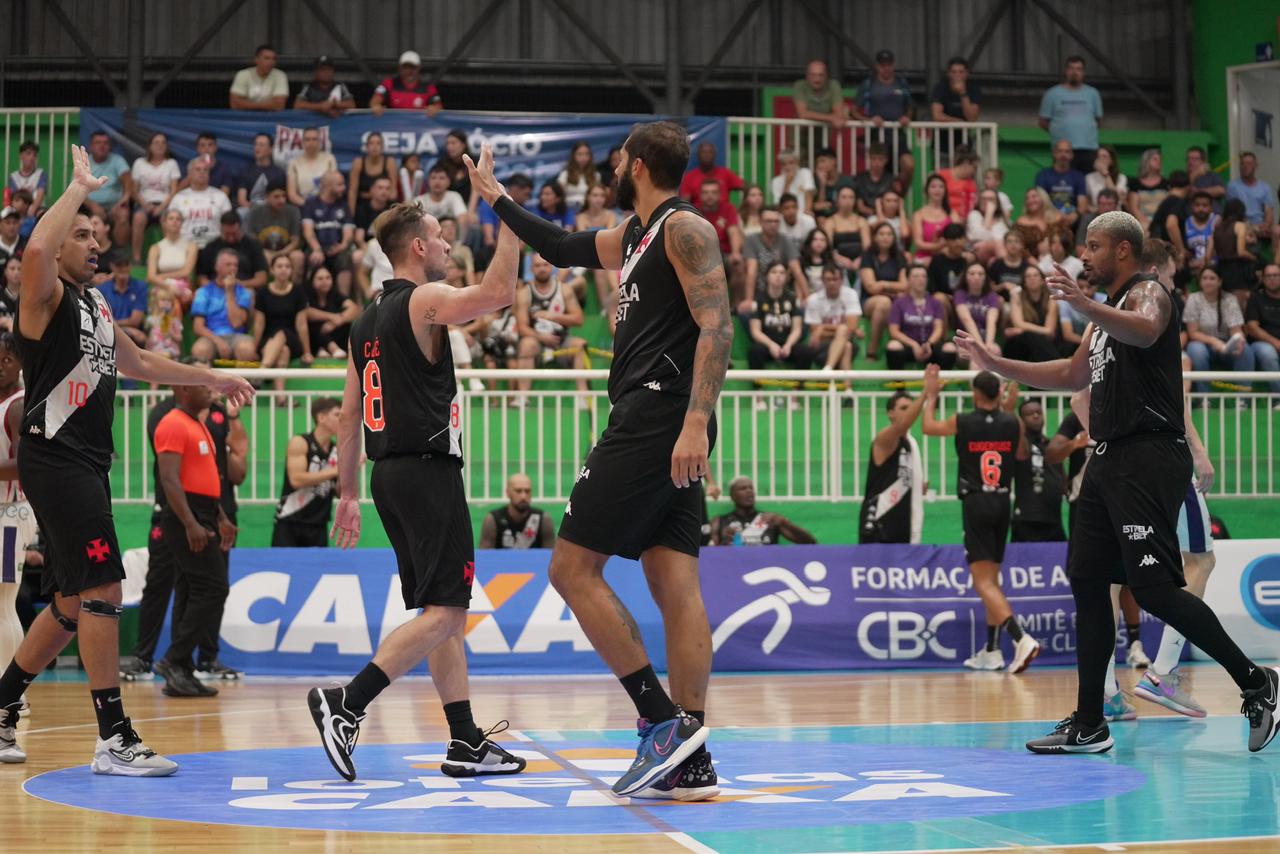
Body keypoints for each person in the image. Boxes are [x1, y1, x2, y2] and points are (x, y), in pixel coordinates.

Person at [957, 209, 1279, 754]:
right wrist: (996, 361)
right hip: (1106, 458)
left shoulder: (1149, 294)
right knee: (1087, 583)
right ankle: (1090, 722)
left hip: (1148, 456)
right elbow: (1071, 374)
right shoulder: (1101, 319)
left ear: (1123, 250)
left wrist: (1086, 305)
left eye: (1094, 246)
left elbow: (1148, 330)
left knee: (1154, 589)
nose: (1084, 255)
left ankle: (1257, 682)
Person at [473, 122, 732, 799]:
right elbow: (560, 246)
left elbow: (718, 325)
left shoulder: (684, 229)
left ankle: (661, 721)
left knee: (569, 567)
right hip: (660, 419)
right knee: (672, 580)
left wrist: (695, 421)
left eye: (619, 161)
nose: (614, 170)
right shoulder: (636, 235)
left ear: (638, 165)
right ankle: (692, 757)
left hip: (658, 415)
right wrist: (496, 198)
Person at [0, 144, 253, 773]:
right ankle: (113, 736)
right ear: (60, 245)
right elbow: (35, 251)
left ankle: (1, 708)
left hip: (87, 462)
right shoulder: (44, 299)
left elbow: (138, 362)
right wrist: (78, 190)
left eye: (97, 234)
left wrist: (212, 376)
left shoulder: (98, 305)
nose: (94, 242)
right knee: (104, 586)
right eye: (81, 234)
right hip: (55, 455)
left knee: (69, 602)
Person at [309, 184, 526, 782]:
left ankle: (464, 740)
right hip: (428, 472)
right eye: (440, 235)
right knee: (447, 614)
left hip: (387, 476)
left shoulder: (363, 323)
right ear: (418, 247)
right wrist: (509, 218)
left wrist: (348, 493)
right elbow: (499, 294)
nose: (449, 244)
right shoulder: (424, 299)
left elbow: (348, 415)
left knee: (441, 612)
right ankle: (346, 703)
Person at [922, 365, 1040, 673]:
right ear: (999, 394)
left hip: (976, 501)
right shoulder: (1013, 422)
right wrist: (1010, 414)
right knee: (993, 579)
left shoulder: (962, 421)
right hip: (1002, 501)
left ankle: (1021, 639)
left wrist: (931, 395)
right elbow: (1022, 454)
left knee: (982, 581)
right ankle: (992, 649)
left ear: (975, 394)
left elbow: (928, 427)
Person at [150, 383, 238, 698]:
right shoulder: (173, 423)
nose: (212, 391)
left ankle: (182, 672)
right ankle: (174, 660)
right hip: (185, 514)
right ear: (185, 389)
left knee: (193, 589)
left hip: (203, 510)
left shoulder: (197, 423)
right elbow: (170, 478)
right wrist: (190, 522)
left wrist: (220, 516)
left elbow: (204, 477)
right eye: (204, 385)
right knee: (214, 587)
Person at [0, 334, 35, 724]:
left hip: (11, 514)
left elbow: (25, 465)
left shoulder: (19, 405)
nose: (0, 365)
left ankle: (12, 696)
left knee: (4, 603)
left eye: (7, 359)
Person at [512, 254, 588, 402]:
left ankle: (583, 397)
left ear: (552, 267)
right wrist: (541, 337)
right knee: (527, 344)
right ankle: (522, 397)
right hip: (537, 342)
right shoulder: (524, 294)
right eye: (538, 265)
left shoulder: (564, 289)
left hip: (562, 341)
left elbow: (579, 319)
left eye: (545, 265)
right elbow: (522, 327)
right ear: (531, 269)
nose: (542, 269)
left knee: (580, 345)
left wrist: (553, 316)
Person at [859, 390, 925, 544]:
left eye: (911, 408)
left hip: (903, 522)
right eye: (903, 408)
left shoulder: (911, 442)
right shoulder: (884, 438)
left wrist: (916, 485)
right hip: (879, 522)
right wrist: (926, 394)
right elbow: (902, 426)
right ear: (890, 414)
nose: (908, 412)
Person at [273, 398, 340, 547]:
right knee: (283, 562)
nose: (342, 420)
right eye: (337, 415)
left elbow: (340, 493)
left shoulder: (337, 451)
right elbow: (296, 480)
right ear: (321, 417)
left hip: (319, 524)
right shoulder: (300, 442)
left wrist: (349, 472)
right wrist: (336, 470)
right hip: (290, 521)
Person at [1183, 265, 1253, 396]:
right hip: (1203, 343)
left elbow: (1236, 330)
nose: (1208, 281)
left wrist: (1239, 340)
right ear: (1200, 281)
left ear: (1219, 282)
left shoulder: (1230, 299)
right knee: (1195, 349)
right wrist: (1214, 342)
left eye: (1212, 278)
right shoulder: (1193, 299)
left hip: (1227, 344)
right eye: (1204, 278)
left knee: (1246, 350)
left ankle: (1243, 398)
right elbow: (1193, 333)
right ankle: (1205, 398)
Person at [853, 49, 915, 193]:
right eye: (882, 65)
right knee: (879, 171)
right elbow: (854, 111)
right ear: (877, 66)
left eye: (889, 65)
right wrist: (869, 120)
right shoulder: (869, 84)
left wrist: (907, 117)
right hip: (877, 135)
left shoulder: (901, 83)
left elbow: (910, 107)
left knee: (909, 165)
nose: (886, 68)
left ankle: (900, 195)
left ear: (893, 65)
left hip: (897, 134)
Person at [1010, 397, 1066, 541]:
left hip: (1054, 518)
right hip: (1027, 520)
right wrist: (1010, 411)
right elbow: (1021, 451)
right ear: (1022, 420)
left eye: (1038, 412)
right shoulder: (1021, 444)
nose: (1035, 416)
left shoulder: (1051, 445)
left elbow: (1061, 477)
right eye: (1030, 414)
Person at [255, 255, 312, 394]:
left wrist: (307, 352)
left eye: (287, 266)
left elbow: (301, 324)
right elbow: (259, 323)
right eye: (279, 266)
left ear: (291, 270)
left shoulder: (298, 291)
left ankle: (262, 371)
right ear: (272, 270)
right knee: (283, 351)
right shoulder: (263, 292)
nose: (283, 270)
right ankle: (280, 397)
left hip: (292, 338)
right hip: (268, 338)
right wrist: (255, 348)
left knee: (282, 333)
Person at [190, 248, 257, 364]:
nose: (233, 268)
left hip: (237, 336)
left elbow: (236, 323)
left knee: (247, 350)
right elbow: (198, 327)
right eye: (228, 265)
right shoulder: (203, 292)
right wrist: (218, 341)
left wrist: (229, 291)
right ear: (217, 267)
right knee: (200, 350)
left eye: (235, 265)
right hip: (211, 336)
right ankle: (204, 376)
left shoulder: (244, 292)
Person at [1038, 56, 1102, 175]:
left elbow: (1098, 120)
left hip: (1089, 148)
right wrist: (1059, 132)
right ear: (1066, 71)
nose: (1074, 72)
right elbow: (1042, 121)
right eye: (1071, 68)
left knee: (1089, 182)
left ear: (1083, 72)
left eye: (1078, 69)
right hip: (1063, 150)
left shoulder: (1093, 93)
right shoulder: (1052, 94)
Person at [885, 265, 956, 370]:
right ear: (908, 280)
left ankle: (942, 380)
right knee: (893, 345)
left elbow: (938, 328)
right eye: (916, 276)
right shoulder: (899, 303)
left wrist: (929, 344)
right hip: (908, 344)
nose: (920, 279)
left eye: (923, 276)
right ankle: (898, 381)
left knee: (950, 348)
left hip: (930, 344)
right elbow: (894, 331)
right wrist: (913, 345)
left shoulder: (935, 303)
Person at [748, 261, 812, 373]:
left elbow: (797, 329)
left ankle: (797, 384)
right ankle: (759, 383)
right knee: (754, 352)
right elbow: (755, 331)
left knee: (806, 352)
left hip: (788, 344)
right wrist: (771, 345)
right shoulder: (758, 300)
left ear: (786, 277)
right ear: (767, 276)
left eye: (782, 273)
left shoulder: (793, 299)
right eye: (774, 272)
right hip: (767, 344)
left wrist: (788, 345)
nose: (778, 275)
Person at [710, 477, 815, 545]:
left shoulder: (771, 520)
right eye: (743, 488)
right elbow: (707, 554)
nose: (749, 491)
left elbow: (810, 543)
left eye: (751, 488)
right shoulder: (719, 521)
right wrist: (724, 544)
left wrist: (784, 522)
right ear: (732, 495)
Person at [859, 221, 909, 359]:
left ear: (894, 238)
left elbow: (905, 285)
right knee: (884, 302)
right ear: (875, 237)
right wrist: (893, 288)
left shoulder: (899, 257)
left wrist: (883, 284)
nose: (885, 237)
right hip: (869, 301)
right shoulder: (868, 256)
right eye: (881, 234)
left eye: (889, 234)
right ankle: (872, 350)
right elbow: (871, 287)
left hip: (896, 300)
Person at [129, 132, 181, 264]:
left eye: (163, 143)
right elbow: (134, 190)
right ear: (149, 146)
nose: (160, 145)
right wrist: (146, 205)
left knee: (169, 220)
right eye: (156, 142)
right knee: (138, 218)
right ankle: (136, 258)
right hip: (144, 203)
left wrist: (161, 207)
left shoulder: (171, 163)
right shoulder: (139, 163)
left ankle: (168, 259)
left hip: (165, 204)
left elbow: (174, 190)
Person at [302, 171, 356, 296]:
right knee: (314, 259)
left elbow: (348, 233)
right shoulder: (311, 204)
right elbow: (308, 231)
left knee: (345, 258)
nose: (344, 187)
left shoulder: (343, 205)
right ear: (328, 186)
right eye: (340, 184)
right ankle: (309, 301)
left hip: (337, 249)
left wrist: (342, 246)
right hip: (316, 248)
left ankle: (343, 300)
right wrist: (317, 249)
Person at [804, 264, 861, 371]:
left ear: (842, 280)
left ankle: (828, 369)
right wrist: (843, 330)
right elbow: (815, 330)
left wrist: (823, 327)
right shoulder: (813, 300)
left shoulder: (851, 295)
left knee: (845, 338)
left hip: (846, 341)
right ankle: (844, 382)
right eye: (828, 279)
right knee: (846, 344)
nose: (832, 283)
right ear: (823, 281)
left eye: (835, 279)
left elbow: (851, 326)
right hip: (822, 345)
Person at [167, 158, 233, 249]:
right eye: (198, 169)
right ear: (190, 174)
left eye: (205, 170)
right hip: (185, 246)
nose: (202, 172)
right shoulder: (178, 198)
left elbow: (229, 224)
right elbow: (169, 225)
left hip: (214, 247)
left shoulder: (221, 197)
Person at [479, 473, 556, 549]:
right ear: (508, 493)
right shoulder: (493, 519)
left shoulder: (543, 519)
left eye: (527, 491)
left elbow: (551, 554)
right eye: (518, 491)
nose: (523, 496)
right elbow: (484, 554)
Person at [84, 132, 134, 249]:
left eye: (105, 143)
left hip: (115, 205)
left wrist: (123, 200)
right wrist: (92, 206)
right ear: (91, 146)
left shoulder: (118, 160)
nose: (102, 146)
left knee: (123, 215)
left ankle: (118, 253)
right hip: (90, 207)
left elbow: (128, 182)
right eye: (98, 143)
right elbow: (77, 189)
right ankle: (91, 250)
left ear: (110, 146)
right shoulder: (85, 163)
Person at [197, 211, 269, 290]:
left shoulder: (253, 245)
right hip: (215, 288)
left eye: (234, 234)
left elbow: (261, 278)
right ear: (221, 229)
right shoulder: (210, 247)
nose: (231, 238)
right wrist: (217, 287)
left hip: (244, 288)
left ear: (241, 229)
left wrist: (238, 284)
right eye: (227, 234)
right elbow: (202, 278)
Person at [930, 57, 982, 163]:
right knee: (943, 172)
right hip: (942, 144)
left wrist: (963, 94)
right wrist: (958, 122)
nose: (957, 75)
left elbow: (972, 118)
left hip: (964, 145)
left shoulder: (973, 89)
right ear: (948, 74)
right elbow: (937, 116)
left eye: (961, 72)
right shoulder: (940, 88)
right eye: (954, 72)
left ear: (967, 73)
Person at [1005, 265, 1061, 363]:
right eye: (1028, 276)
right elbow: (1018, 324)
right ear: (1024, 282)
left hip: (1044, 343)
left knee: (1034, 339)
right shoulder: (1017, 297)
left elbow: (1050, 331)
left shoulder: (1051, 300)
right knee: (1028, 337)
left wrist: (1023, 330)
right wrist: (1025, 332)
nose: (1032, 278)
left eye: (1035, 275)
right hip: (1020, 345)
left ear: (1042, 281)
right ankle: (1056, 364)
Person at [247, 180, 304, 277]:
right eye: (276, 197)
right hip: (264, 250)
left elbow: (295, 241)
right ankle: (270, 286)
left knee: (298, 256)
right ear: (267, 197)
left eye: (284, 196)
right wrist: (265, 251)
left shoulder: (293, 211)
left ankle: (295, 286)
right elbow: (252, 239)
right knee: (265, 256)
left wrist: (280, 253)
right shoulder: (256, 211)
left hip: (286, 250)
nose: (281, 200)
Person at [304, 265, 359, 359]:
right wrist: (332, 317)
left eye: (328, 278)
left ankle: (335, 349)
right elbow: (307, 312)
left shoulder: (335, 294)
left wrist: (338, 321)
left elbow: (354, 308)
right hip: (314, 340)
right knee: (314, 323)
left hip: (333, 334)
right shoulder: (306, 295)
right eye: (320, 279)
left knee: (346, 320)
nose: (324, 281)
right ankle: (330, 349)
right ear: (312, 281)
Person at [146, 208, 197, 307]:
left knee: (178, 297)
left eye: (178, 219)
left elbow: (186, 272)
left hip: (183, 285)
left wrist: (161, 276)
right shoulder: (155, 248)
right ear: (164, 223)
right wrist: (168, 286)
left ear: (182, 223)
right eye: (171, 218)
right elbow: (151, 276)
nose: (175, 221)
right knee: (162, 296)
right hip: (162, 285)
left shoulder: (191, 246)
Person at [1212, 198, 1259, 304]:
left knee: (1224, 304)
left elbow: (1211, 252)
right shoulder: (1240, 225)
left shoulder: (1217, 227)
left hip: (1221, 267)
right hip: (1236, 269)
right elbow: (1241, 252)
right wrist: (1253, 258)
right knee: (1240, 304)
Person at [98, 251, 148, 347]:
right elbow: (103, 321)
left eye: (126, 265)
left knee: (140, 337)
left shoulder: (140, 286)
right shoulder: (102, 289)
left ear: (130, 266)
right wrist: (126, 329)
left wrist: (114, 323)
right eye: (119, 265)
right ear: (112, 266)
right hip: (111, 331)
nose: (123, 269)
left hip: (127, 331)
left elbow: (135, 321)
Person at [1035, 140, 1089, 228]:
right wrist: (1058, 216)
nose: (1063, 155)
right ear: (1054, 154)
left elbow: (1082, 203)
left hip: (1073, 219)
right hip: (1050, 217)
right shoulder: (1043, 175)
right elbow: (1042, 201)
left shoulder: (1078, 176)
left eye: (1067, 152)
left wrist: (1075, 215)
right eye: (1060, 151)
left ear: (1071, 155)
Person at [1245, 263, 1280, 397]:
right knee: (1268, 353)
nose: (1272, 279)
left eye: (1276, 275)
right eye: (1268, 276)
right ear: (1263, 279)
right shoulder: (1256, 298)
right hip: (1262, 343)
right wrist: (1276, 343)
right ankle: (1278, 398)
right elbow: (1252, 328)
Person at [370, 51, 443, 116]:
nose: (409, 71)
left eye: (412, 67)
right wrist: (376, 105)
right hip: (393, 125)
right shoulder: (389, 83)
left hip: (419, 126)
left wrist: (434, 108)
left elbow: (438, 105)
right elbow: (376, 99)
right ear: (399, 68)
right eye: (405, 67)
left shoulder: (429, 88)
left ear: (418, 68)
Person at [954, 261, 1001, 359]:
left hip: (986, 338)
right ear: (965, 277)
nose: (976, 277)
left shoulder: (992, 296)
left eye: (980, 274)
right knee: (973, 353)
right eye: (972, 274)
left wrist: (989, 344)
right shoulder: (960, 294)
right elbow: (966, 319)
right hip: (966, 338)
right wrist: (979, 344)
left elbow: (991, 321)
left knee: (995, 351)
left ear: (985, 277)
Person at [1226, 152, 1276, 240]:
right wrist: (1251, 227)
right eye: (1242, 163)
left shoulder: (1265, 187)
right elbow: (1233, 213)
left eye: (1248, 163)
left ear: (1256, 166)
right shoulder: (1232, 186)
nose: (1245, 166)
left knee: (1276, 231)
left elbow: (1269, 211)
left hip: (1261, 226)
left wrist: (1267, 224)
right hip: (1241, 224)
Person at [235, 133, 287, 215]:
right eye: (256, 144)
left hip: (272, 212)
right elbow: (242, 200)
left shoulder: (279, 173)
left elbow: (281, 199)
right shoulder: (246, 171)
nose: (257, 148)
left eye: (261, 145)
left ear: (271, 149)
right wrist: (256, 210)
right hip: (251, 211)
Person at [286, 127, 339, 207]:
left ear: (320, 142)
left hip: (327, 206)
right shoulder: (294, 163)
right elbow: (292, 195)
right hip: (303, 206)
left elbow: (335, 187)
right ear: (302, 142)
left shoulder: (329, 159)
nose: (311, 142)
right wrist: (309, 207)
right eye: (307, 139)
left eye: (314, 139)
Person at [912, 174, 959, 263]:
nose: (937, 190)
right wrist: (937, 246)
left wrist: (945, 249)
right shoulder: (919, 215)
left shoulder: (952, 214)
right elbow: (918, 243)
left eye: (941, 187)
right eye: (933, 187)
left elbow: (958, 238)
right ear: (927, 190)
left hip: (948, 255)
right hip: (924, 257)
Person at [349, 132, 399, 214]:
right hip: (362, 207)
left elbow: (393, 191)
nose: (375, 147)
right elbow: (352, 192)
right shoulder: (358, 162)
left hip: (384, 207)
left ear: (382, 147)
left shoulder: (390, 162)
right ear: (366, 146)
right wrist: (351, 215)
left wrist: (393, 213)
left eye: (378, 143)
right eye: (371, 143)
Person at [792, 59, 848, 133]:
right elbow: (803, 114)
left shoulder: (833, 85)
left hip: (824, 138)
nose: (817, 79)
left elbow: (838, 114)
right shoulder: (800, 86)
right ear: (807, 76)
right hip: (798, 138)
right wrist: (831, 118)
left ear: (827, 76)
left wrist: (812, 116)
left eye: (821, 75)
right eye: (813, 75)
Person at [679, 141, 745, 204]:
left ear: (714, 154)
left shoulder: (725, 173)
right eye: (703, 152)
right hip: (699, 211)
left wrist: (744, 208)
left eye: (710, 152)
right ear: (698, 155)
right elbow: (684, 202)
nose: (707, 155)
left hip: (723, 211)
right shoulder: (689, 177)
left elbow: (746, 188)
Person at [229, 44, 288, 110]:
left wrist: (245, 104)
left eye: (274, 59)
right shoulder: (242, 74)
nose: (271, 62)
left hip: (270, 116)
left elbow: (279, 105)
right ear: (256, 59)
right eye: (267, 58)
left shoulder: (280, 75)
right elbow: (235, 104)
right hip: (245, 116)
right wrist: (269, 105)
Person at [1126, 149, 1169, 234]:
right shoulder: (1136, 183)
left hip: (1162, 221)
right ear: (1146, 161)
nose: (1159, 162)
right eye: (1155, 159)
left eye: (1160, 159)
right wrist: (1147, 223)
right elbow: (1134, 208)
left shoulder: (1166, 183)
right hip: (1143, 221)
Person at [852, 143, 895, 218]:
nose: (877, 162)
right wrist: (875, 213)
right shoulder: (860, 179)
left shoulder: (891, 180)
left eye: (880, 159)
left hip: (886, 217)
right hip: (865, 218)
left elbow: (893, 204)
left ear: (886, 160)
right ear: (869, 158)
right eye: (874, 158)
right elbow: (860, 206)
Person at [7, 141, 47, 216]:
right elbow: (15, 199)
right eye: (28, 153)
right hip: (18, 210)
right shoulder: (13, 177)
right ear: (21, 156)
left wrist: (32, 209)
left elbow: (40, 195)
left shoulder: (41, 174)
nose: (32, 157)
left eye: (35, 155)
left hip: (37, 210)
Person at [556, 141, 599, 212]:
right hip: (568, 210)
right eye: (580, 154)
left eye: (587, 154)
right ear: (573, 156)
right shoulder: (565, 175)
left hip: (589, 210)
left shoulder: (596, 175)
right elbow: (560, 197)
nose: (583, 157)